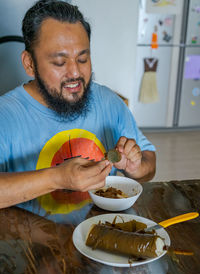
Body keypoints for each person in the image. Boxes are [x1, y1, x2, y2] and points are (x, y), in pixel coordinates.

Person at [0, 0, 156, 210]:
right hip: (30, 240)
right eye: (59, 62)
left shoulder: (109, 102)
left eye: (82, 59)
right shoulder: (6, 114)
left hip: (101, 235)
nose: (75, 73)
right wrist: (56, 178)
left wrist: (135, 168)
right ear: (29, 63)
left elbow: (149, 162)